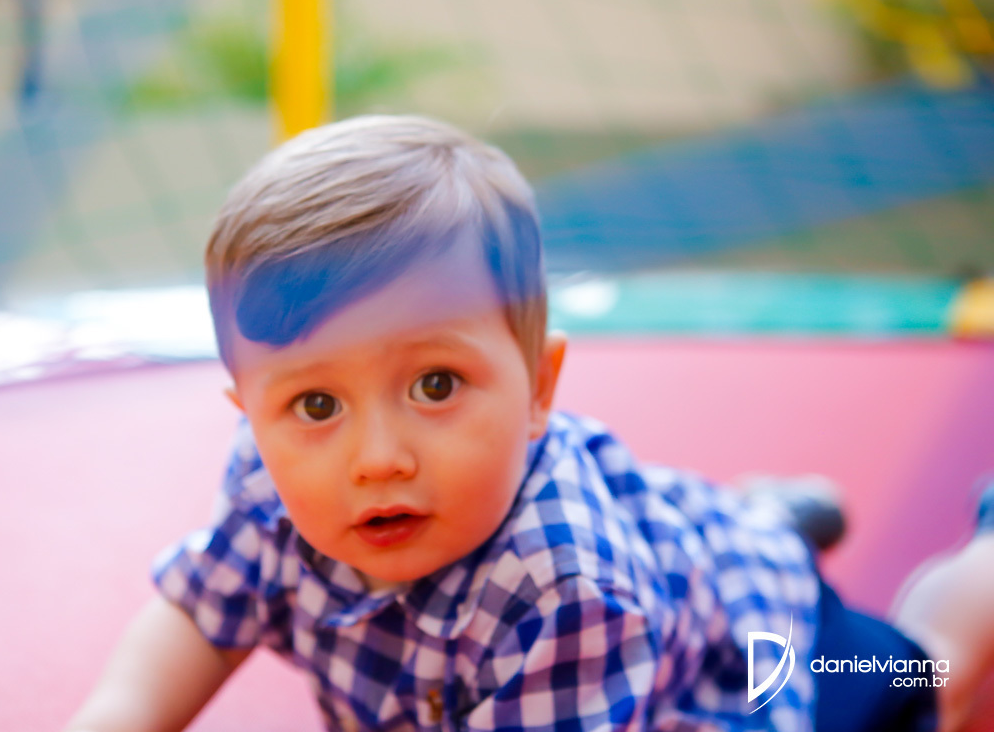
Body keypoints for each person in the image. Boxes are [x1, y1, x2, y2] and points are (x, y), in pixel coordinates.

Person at [64, 115, 992, 732]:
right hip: (669, 555)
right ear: (252, 415)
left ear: (540, 384)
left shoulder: (567, 590)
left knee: (925, 680)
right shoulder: (268, 475)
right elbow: (202, 612)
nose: (377, 459)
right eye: (316, 406)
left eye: (435, 384)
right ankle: (761, 518)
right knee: (703, 542)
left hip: (756, 651)